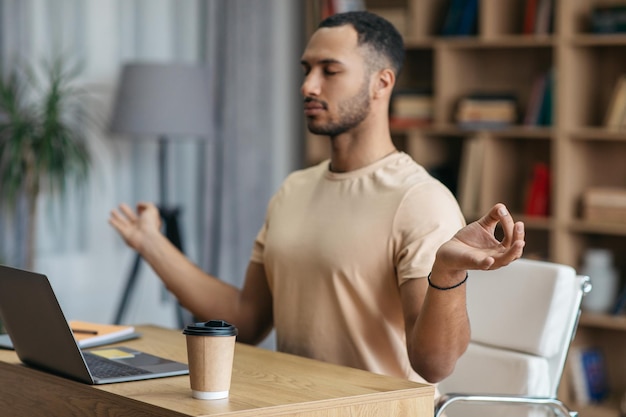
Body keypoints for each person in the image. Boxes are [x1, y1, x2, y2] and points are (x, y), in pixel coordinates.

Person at [109, 11, 525, 387]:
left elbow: (434, 366)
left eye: (330, 70)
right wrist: (151, 242)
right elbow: (248, 320)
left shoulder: (420, 199)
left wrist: (448, 273)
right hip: (291, 404)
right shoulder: (294, 189)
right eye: (307, 70)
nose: (308, 85)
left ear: (382, 83)